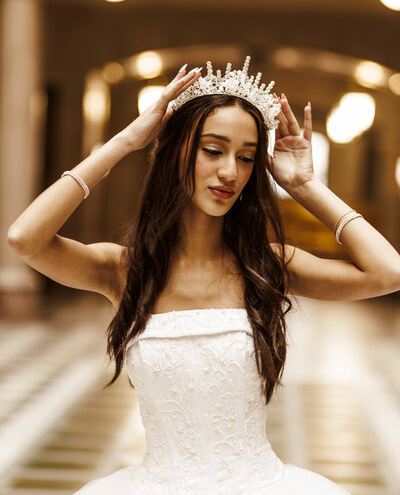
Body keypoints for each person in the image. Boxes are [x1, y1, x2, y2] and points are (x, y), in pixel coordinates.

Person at [8, 57, 400, 494]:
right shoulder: (123, 270)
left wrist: (306, 186)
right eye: (213, 150)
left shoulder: (269, 265)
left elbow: (389, 273)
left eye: (247, 157)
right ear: (177, 151)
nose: (230, 172)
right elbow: (25, 239)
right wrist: (123, 143)